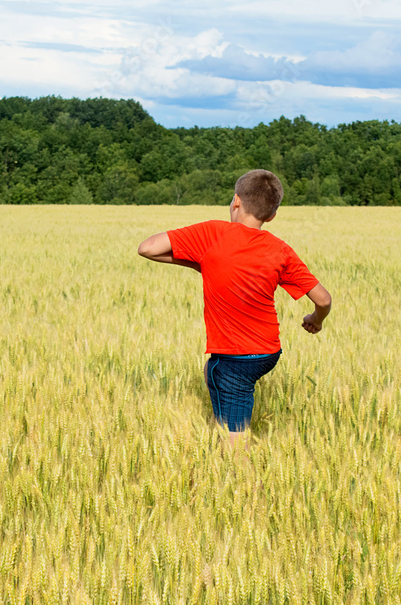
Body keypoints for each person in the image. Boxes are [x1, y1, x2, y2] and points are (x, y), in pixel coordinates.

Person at [137, 169, 332, 448]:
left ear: (235, 201)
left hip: (235, 358)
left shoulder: (213, 234)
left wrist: (198, 261)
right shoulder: (280, 249)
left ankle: (241, 479)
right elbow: (323, 299)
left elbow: (148, 248)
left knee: (233, 438)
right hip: (268, 352)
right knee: (213, 371)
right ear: (272, 215)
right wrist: (316, 319)